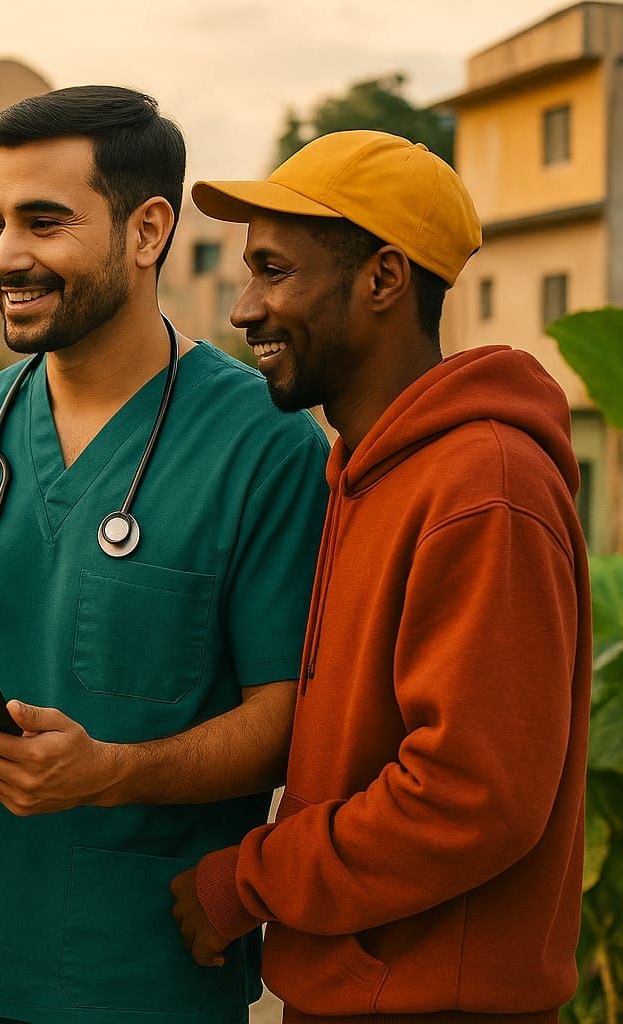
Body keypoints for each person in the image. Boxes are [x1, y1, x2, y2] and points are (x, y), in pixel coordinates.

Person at [0, 85, 330, 1022]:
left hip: (140, 970)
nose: (4, 257)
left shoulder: (266, 448)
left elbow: (286, 719)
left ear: (148, 229)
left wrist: (110, 771)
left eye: (44, 221)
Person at [170, 131, 589, 1020]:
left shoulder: (484, 486)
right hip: (364, 990)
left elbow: (469, 796)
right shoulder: (367, 470)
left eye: (275, 271)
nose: (244, 309)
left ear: (383, 280)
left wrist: (253, 879)